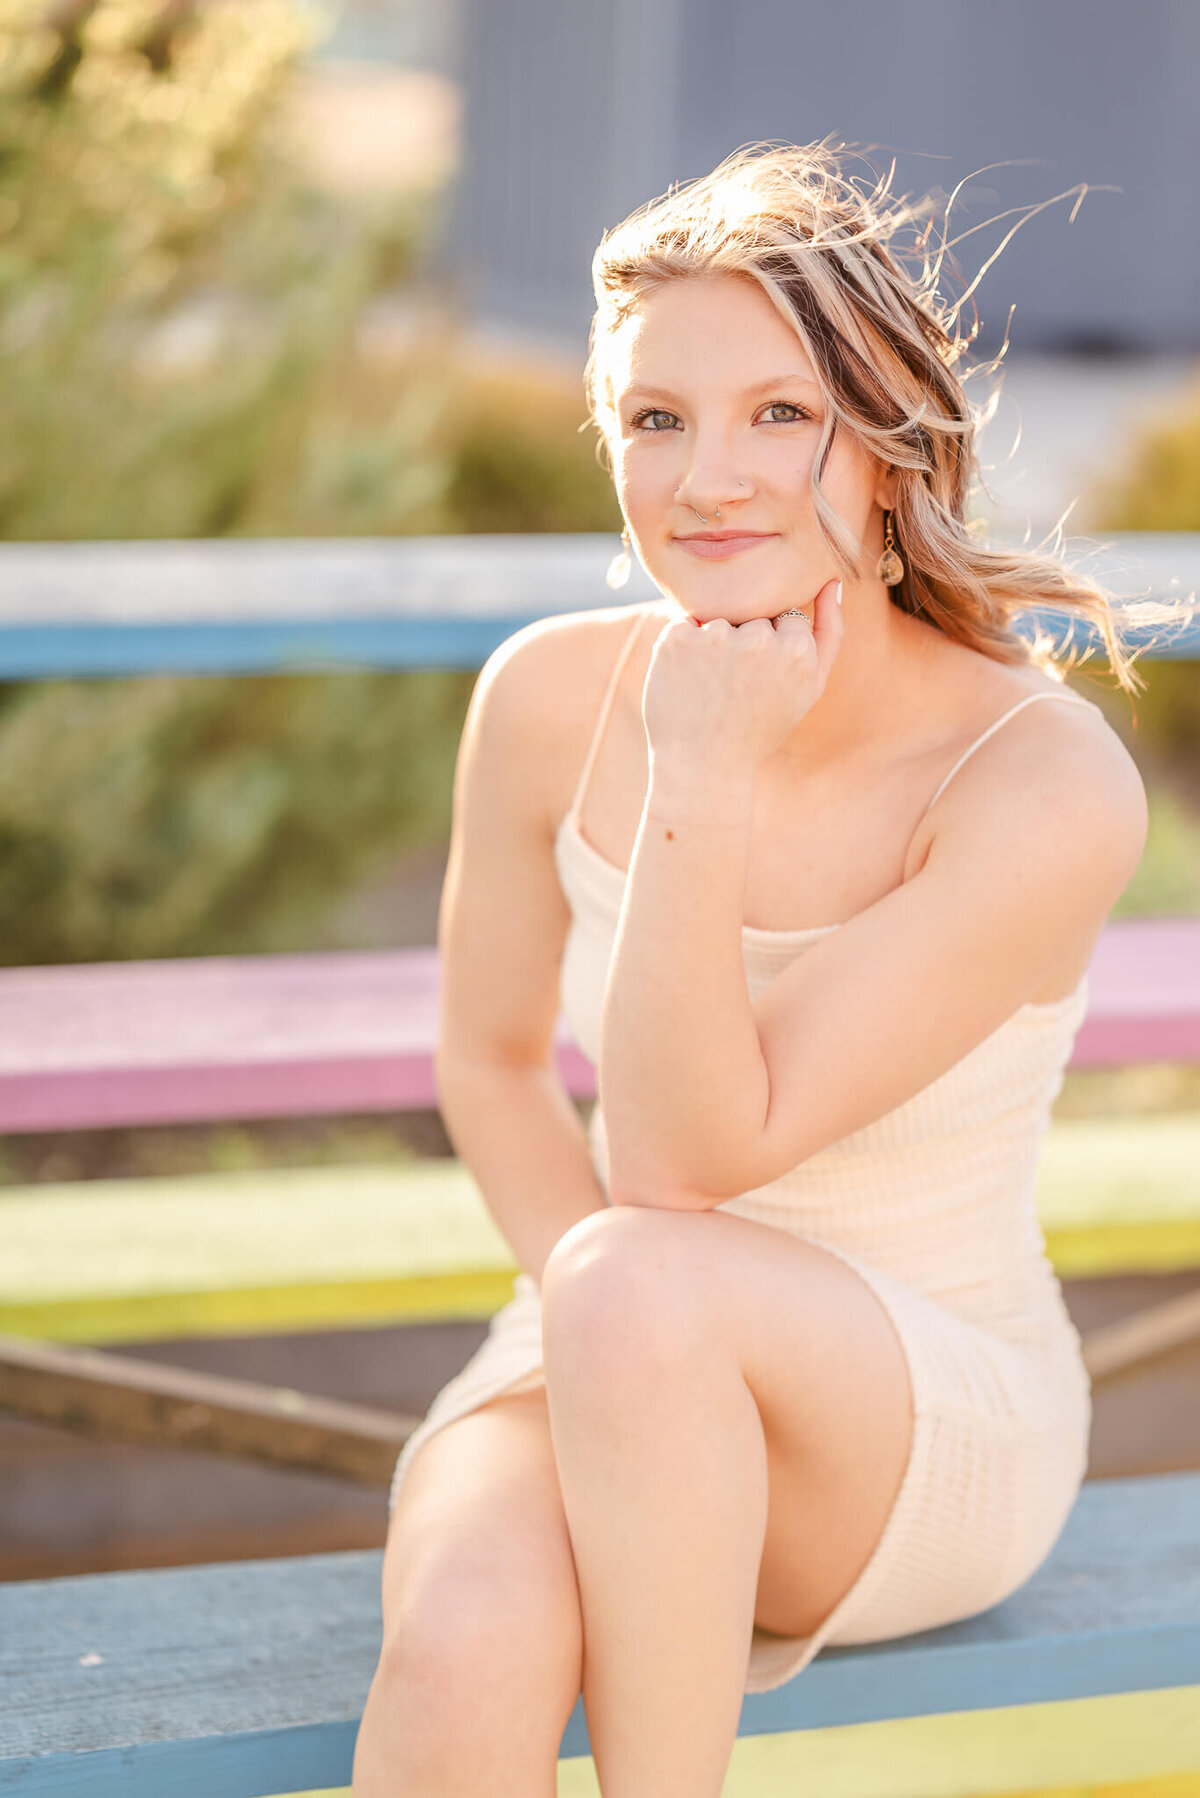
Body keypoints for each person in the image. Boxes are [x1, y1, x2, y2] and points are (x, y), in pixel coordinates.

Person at [351, 140, 1160, 1796]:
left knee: (641, 1274)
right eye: (656, 420)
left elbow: (673, 1164)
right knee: (467, 1626)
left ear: (888, 449)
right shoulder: (543, 698)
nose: (708, 478)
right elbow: (490, 1059)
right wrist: (604, 1360)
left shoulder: (1039, 777)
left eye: (778, 415)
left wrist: (699, 783)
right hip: (596, 1329)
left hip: (915, 1410)